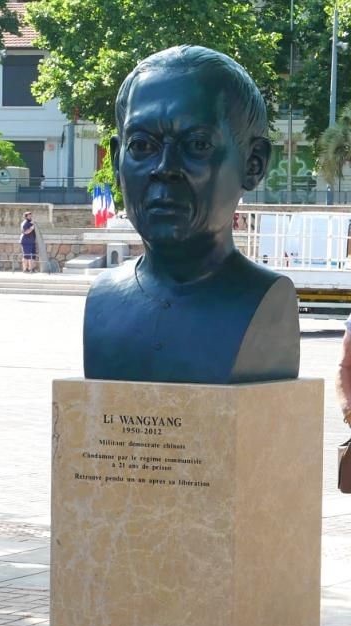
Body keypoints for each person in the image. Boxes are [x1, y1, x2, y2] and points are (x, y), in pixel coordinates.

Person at [84, 45, 299, 384]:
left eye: (197, 145)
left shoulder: (265, 303)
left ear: (253, 163)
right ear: (116, 159)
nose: (164, 169)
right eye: (142, 145)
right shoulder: (103, 300)